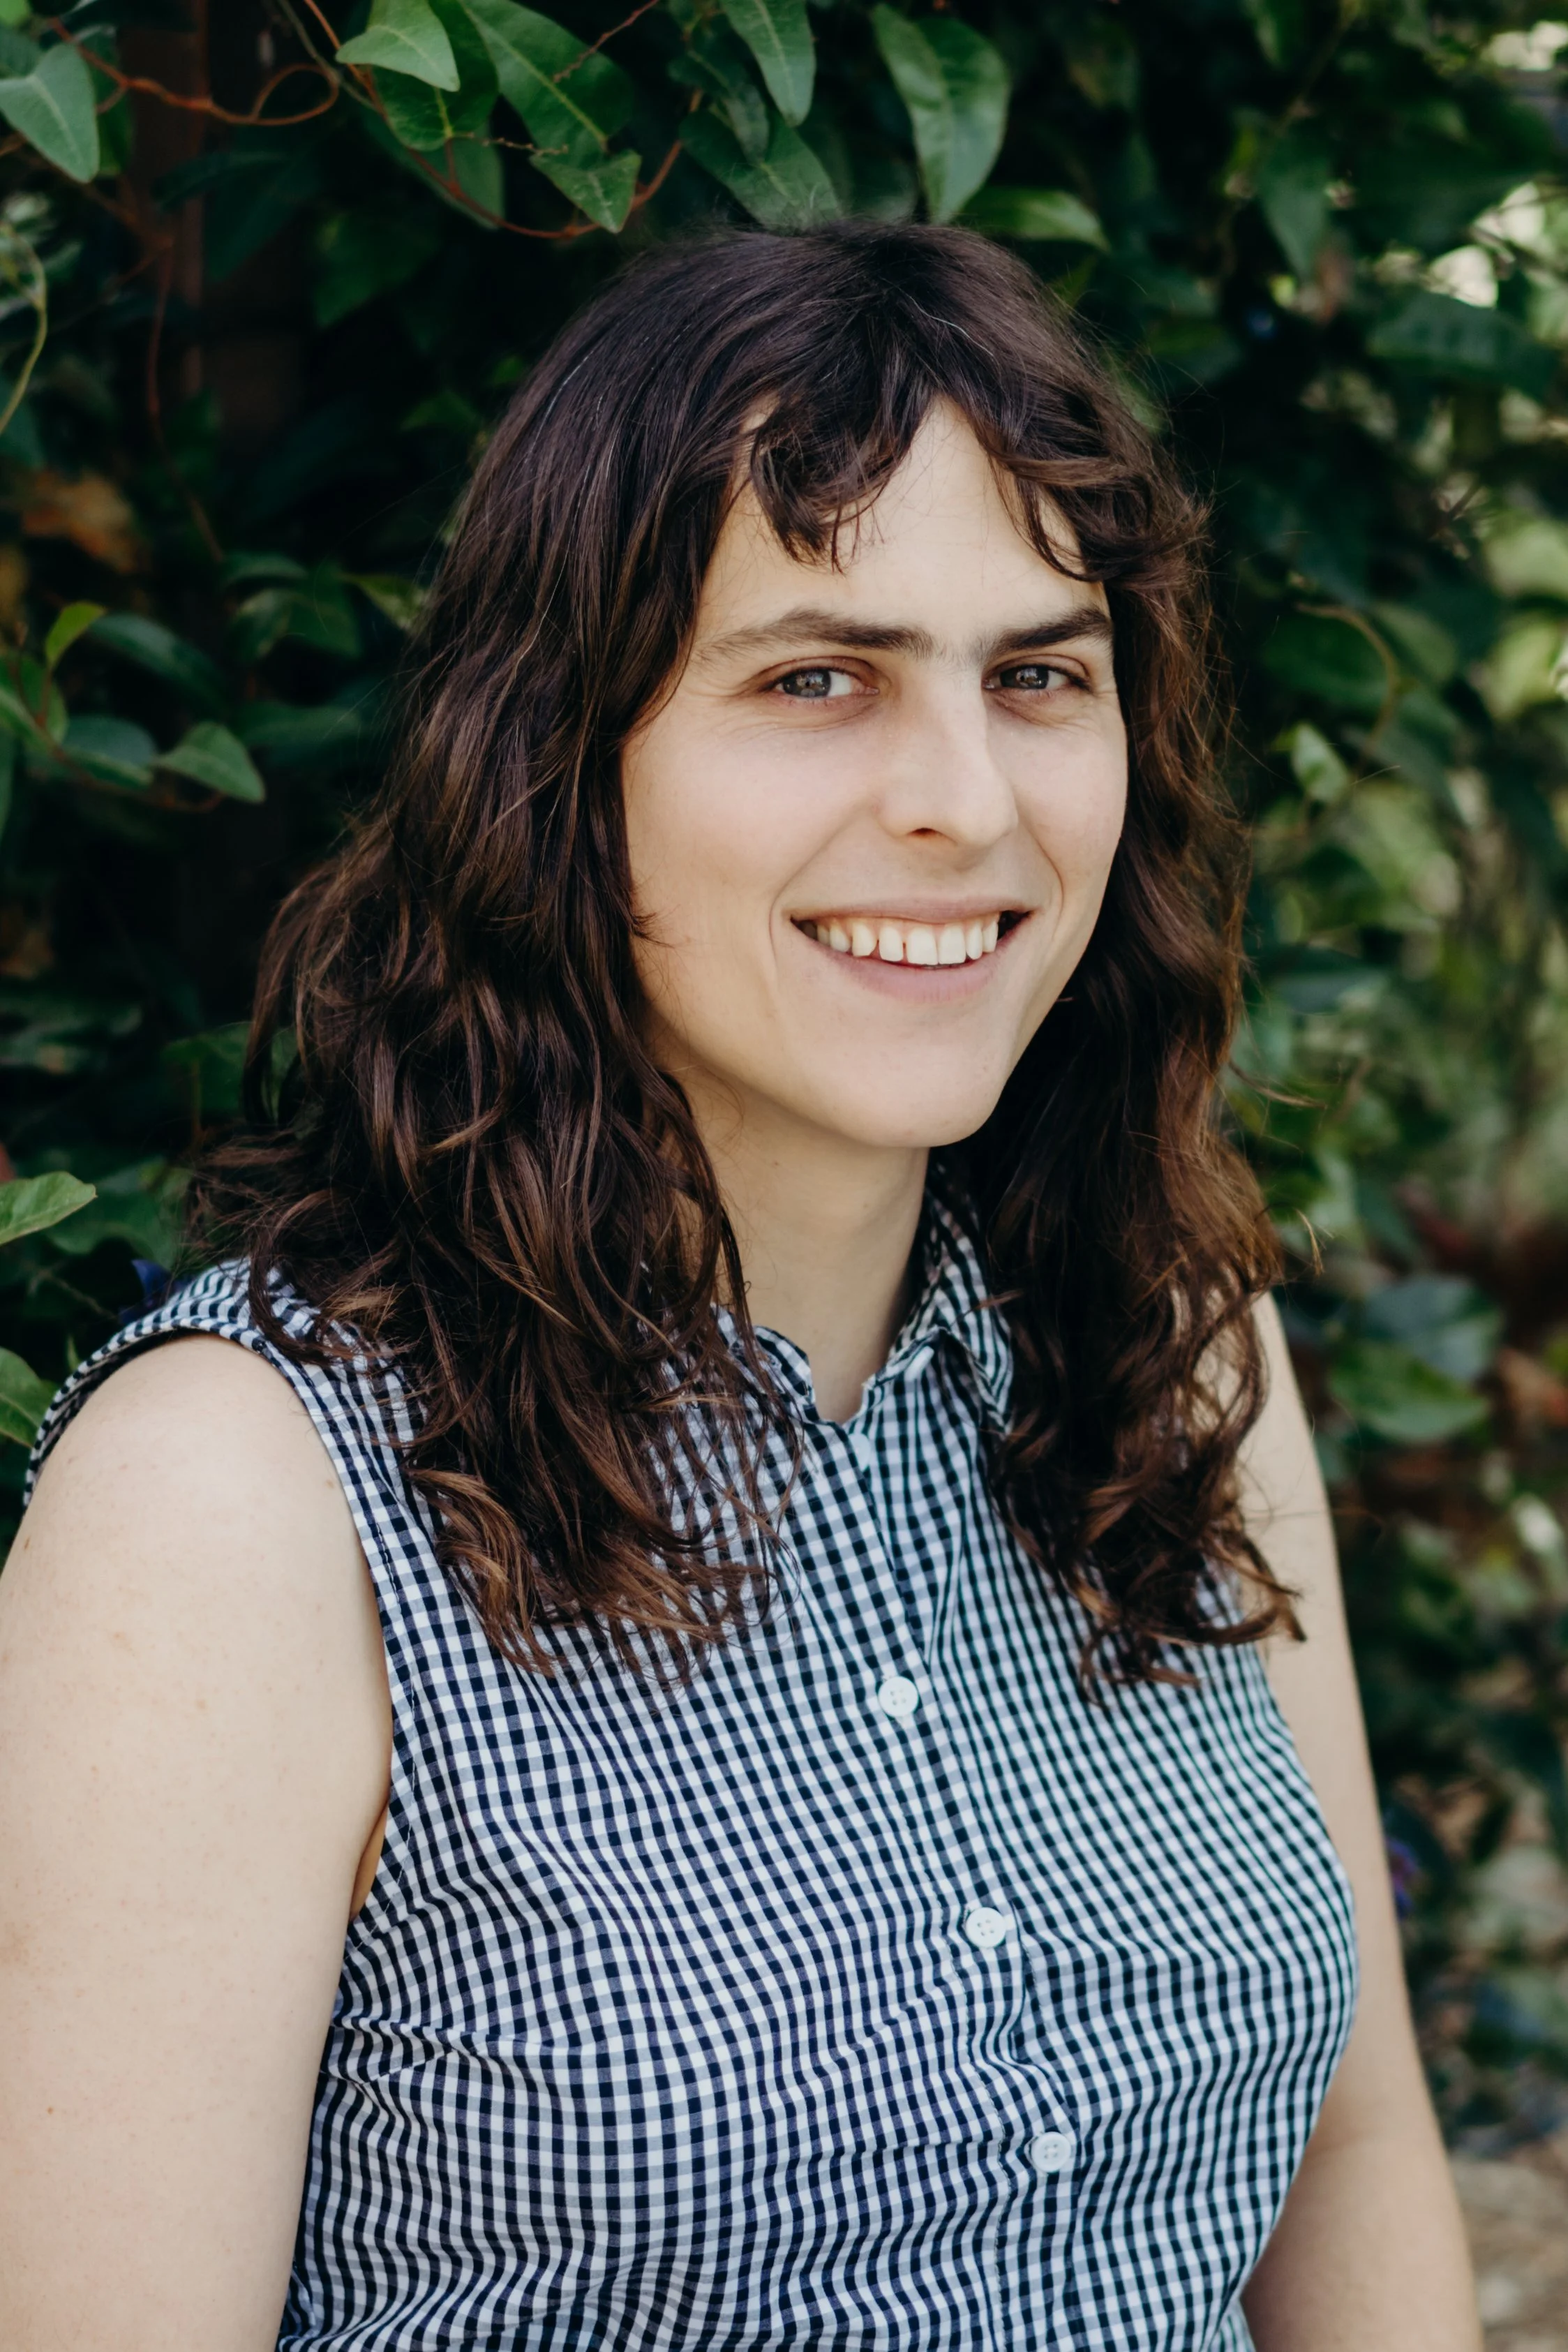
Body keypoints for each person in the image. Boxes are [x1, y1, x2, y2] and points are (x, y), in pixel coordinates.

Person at [0, 223, 1478, 2351]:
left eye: (1037, 676)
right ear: (558, 770)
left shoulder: (1170, 1357)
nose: (963, 805)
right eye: (816, 678)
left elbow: (1348, 2166)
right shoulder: (239, 1505)